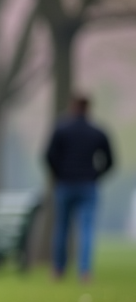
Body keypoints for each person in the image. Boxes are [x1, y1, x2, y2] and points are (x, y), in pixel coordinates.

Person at [44, 94, 114, 283]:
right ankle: (85, 271)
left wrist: (59, 174)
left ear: (72, 107)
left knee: (62, 228)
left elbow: (49, 155)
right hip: (87, 186)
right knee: (87, 230)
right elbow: (110, 161)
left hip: (65, 185)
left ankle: (58, 270)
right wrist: (95, 175)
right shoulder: (97, 132)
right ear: (88, 108)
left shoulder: (61, 130)